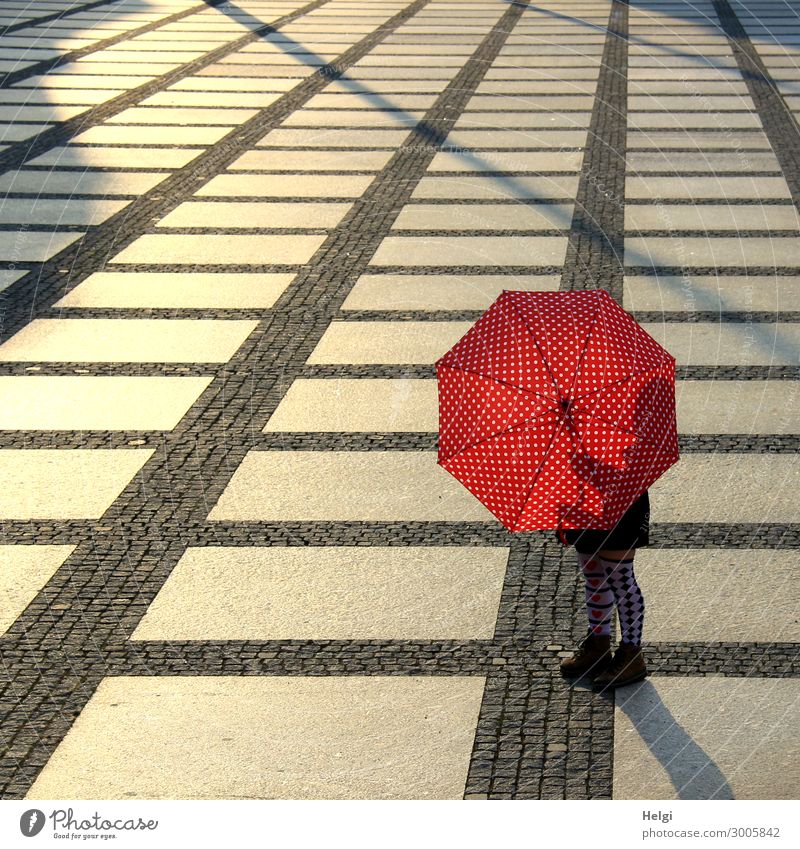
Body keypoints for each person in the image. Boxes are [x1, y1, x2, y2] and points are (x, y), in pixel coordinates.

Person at [554, 489, 650, 690]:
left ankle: (632, 654)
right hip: (580, 497)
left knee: (621, 580)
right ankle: (598, 644)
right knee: (593, 575)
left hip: (619, 497)